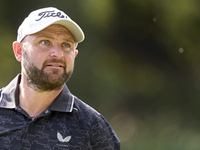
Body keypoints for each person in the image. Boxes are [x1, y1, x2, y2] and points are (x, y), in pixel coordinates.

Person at [0, 7, 120, 150]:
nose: (58, 53)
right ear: (19, 51)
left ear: (74, 55)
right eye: (45, 42)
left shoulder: (93, 126)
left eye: (66, 45)